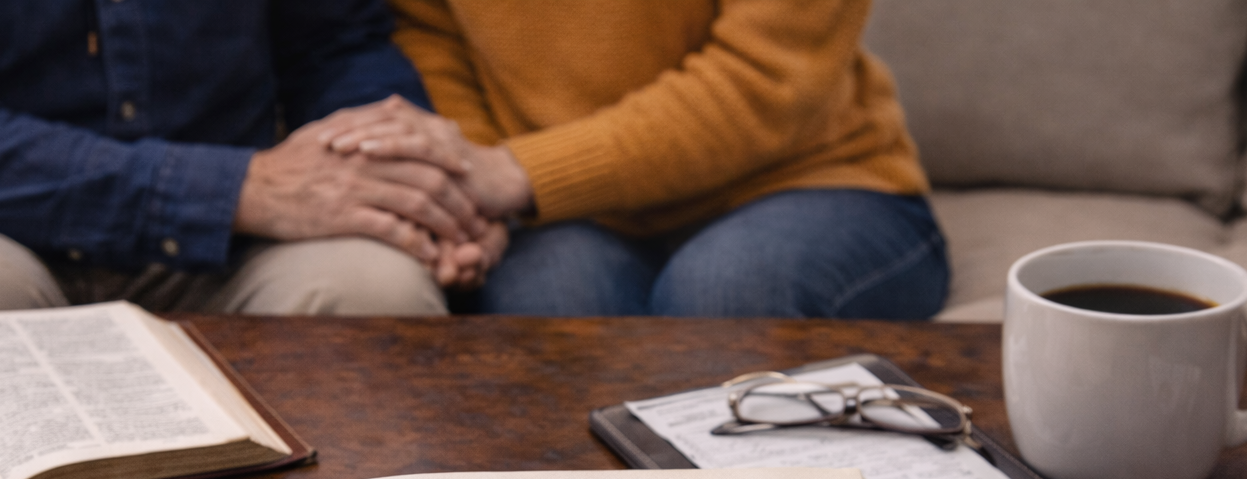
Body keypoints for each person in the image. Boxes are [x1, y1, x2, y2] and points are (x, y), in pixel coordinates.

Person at [0, 0, 504, 314]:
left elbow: (337, 49)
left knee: (374, 289)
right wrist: (241, 191)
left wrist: (419, 189)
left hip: (217, 240)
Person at [316, 0, 949, 318]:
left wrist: (509, 174)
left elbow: (765, 83)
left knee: (720, 293)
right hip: (562, 213)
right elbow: (429, 34)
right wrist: (466, 183)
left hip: (809, 182)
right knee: (549, 313)